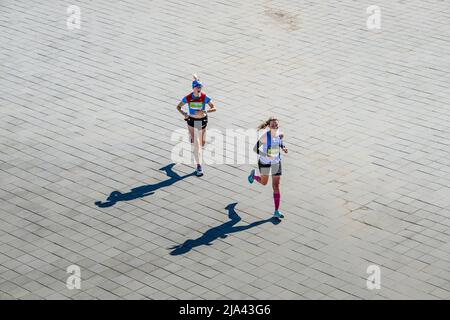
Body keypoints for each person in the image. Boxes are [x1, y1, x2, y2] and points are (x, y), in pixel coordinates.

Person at [248, 117, 288, 218]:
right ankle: (254, 176)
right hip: (264, 162)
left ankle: (276, 211)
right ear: (269, 126)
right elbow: (255, 149)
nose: (275, 126)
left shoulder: (280, 134)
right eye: (272, 125)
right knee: (264, 183)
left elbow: (279, 142)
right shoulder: (265, 136)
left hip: (276, 163)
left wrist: (283, 148)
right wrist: (265, 154)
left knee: (276, 186)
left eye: (276, 125)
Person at [176, 74, 216, 176]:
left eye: (200, 87)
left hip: (202, 121)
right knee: (197, 145)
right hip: (192, 121)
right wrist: (184, 114)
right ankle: (199, 166)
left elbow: (214, 107)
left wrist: (205, 111)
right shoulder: (188, 98)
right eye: (198, 88)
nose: (199, 89)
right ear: (193, 88)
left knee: (202, 143)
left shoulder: (204, 97)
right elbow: (178, 107)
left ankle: (194, 141)